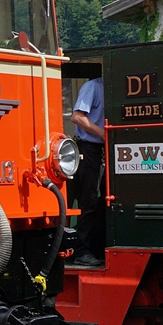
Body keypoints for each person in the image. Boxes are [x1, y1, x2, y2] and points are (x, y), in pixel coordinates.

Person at [70, 76, 106, 267]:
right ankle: (81, 251)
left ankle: (96, 248)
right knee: (88, 201)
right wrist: (104, 133)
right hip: (88, 149)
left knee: (103, 201)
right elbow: (77, 117)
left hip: (103, 149)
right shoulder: (93, 86)